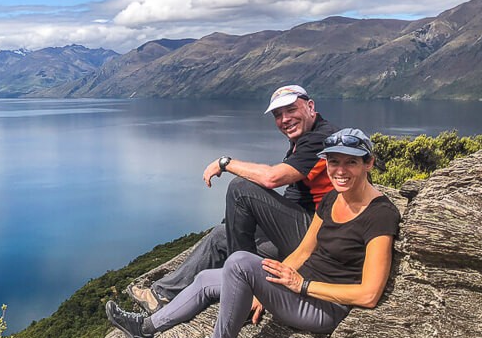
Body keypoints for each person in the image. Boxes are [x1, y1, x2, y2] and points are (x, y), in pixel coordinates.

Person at [107, 128, 400, 338]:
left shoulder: (380, 215)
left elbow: (369, 294)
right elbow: (303, 251)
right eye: (333, 161)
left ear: (369, 164)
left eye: (351, 162)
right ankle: (145, 328)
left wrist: (302, 285)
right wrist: (265, 287)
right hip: (294, 289)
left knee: (239, 262)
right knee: (207, 279)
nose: (339, 170)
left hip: (323, 306)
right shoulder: (333, 198)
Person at [129, 85, 340, 315]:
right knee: (221, 234)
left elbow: (272, 178)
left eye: (291, 110)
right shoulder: (305, 136)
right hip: (300, 229)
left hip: (317, 236)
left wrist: (225, 163)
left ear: (310, 107)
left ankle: (243, 284)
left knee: (241, 189)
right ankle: (162, 295)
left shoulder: (322, 138)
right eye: (278, 115)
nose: (285, 119)